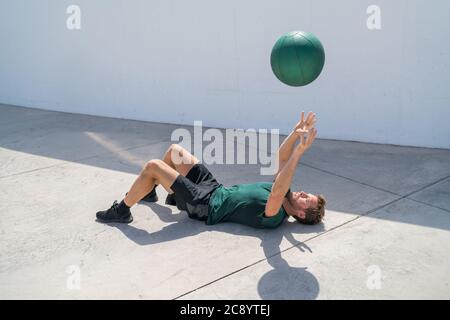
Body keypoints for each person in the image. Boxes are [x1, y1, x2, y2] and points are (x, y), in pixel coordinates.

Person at [96, 112, 326, 228]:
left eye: (307, 200)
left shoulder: (276, 216)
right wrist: (295, 134)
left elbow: (276, 192)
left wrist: (300, 152)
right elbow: (280, 160)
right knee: (175, 151)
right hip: (214, 189)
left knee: (153, 166)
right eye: (308, 194)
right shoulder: (286, 193)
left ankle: (122, 210)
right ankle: (149, 192)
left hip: (205, 206)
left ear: (301, 214)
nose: (304, 193)